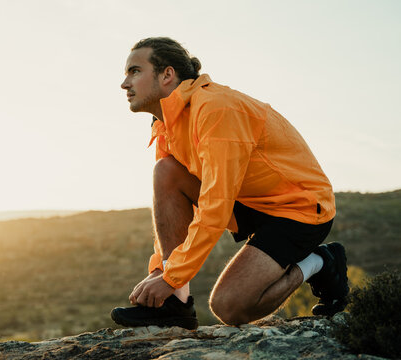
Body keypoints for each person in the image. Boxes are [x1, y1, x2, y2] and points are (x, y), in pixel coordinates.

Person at [110, 37, 349, 330]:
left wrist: (171, 275)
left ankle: (319, 261)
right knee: (165, 171)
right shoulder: (166, 125)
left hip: (298, 208)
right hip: (249, 202)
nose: (125, 83)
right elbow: (173, 204)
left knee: (229, 306)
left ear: (167, 75)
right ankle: (175, 303)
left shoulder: (215, 109)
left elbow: (215, 204)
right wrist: (164, 272)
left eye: (134, 71)